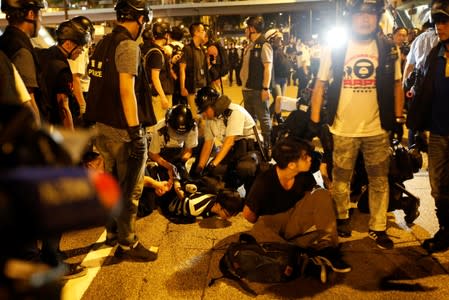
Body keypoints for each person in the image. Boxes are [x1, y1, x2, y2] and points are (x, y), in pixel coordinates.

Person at [310, 0, 404, 249]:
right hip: (343, 129)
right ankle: (341, 218)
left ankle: (378, 227)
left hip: (377, 129)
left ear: (377, 17)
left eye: (371, 14)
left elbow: (397, 85)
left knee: (379, 180)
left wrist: (398, 119)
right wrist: (315, 121)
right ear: (351, 18)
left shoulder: (388, 49)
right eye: (360, 14)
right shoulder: (337, 48)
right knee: (341, 179)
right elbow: (320, 84)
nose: (365, 19)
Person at [85, 0, 158, 262]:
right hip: (122, 131)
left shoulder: (103, 42)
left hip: (102, 128)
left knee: (111, 184)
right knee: (130, 190)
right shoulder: (127, 45)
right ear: (140, 19)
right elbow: (127, 91)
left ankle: (112, 232)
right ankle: (128, 243)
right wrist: (136, 132)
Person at [242, 137, 351, 273]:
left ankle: (327, 249)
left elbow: (310, 199)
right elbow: (248, 215)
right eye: (305, 157)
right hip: (270, 228)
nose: (310, 159)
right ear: (292, 164)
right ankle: (298, 252)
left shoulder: (304, 176)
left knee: (321, 194)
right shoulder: (264, 181)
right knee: (261, 229)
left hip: (292, 222)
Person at [406, 0, 449, 252]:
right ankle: (445, 230)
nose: (439, 27)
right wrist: (419, 127)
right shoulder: (436, 53)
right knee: (438, 186)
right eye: (437, 22)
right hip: (439, 133)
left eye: (444, 22)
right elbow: (423, 91)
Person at [192, 86, 260, 192]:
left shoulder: (235, 112)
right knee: (217, 172)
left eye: (205, 110)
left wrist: (213, 164)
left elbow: (229, 142)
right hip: (234, 150)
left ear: (214, 105)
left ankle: (251, 193)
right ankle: (230, 193)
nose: (203, 114)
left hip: (251, 148)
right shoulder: (210, 119)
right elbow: (208, 144)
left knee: (245, 168)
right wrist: (200, 167)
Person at [0, 0, 46, 124]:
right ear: (31, 14)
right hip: (18, 125)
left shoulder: (4, 40)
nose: (41, 21)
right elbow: (28, 100)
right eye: (40, 15)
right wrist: (37, 130)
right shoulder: (22, 49)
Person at [38, 20, 90, 130]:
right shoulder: (62, 69)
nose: (81, 51)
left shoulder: (44, 54)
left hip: (39, 118)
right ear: (68, 44)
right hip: (54, 124)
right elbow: (63, 108)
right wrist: (71, 138)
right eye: (80, 47)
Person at [240, 16, 273, 155]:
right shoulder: (250, 45)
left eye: (246, 28)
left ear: (252, 29)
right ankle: (254, 144)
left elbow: (267, 68)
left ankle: (268, 145)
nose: (245, 31)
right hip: (247, 89)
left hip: (258, 90)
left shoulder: (264, 45)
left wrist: (265, 88)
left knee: (263, 118)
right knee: (249, 119)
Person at [148, 104, 198, 185]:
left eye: (182, 134)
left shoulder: (192, 127)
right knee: (164, 181)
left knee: (185, 178)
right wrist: (168, 166)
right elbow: (153, 154)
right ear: (168, 124)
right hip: (161, 155)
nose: (178, 137)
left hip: (179, 154)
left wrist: (180, 163)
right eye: (175, 132)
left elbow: (188, 150)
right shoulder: (159, 129)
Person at [141, 22, 173, 121]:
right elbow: (155, 77)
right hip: (159, 96)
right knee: (159, 127)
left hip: (160, 94)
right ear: (166, 35)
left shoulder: (155, 50)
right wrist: (163, 97)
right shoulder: (157, 53)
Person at [68, 15, 95, 125]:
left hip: (80, 93)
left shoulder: (75, 47)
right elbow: (76, 79)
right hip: (80, 94)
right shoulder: (80, 49)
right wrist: (82, 105)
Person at [179, 22, 209, 119]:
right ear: (196, 33)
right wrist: (183, 87)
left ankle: (203, 134)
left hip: (203, 87)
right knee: (195, 116)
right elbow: (182, 69)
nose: (205, 32)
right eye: (203, 30)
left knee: (204, 115)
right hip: (192, 87)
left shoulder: (202, 49)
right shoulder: (187, 49)